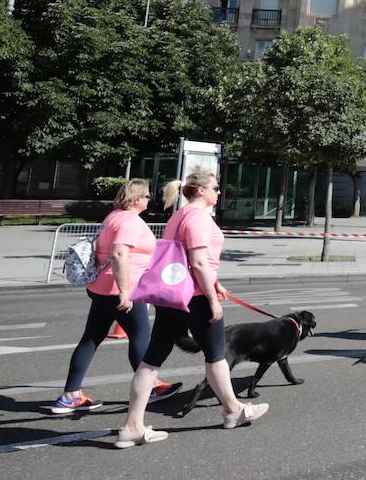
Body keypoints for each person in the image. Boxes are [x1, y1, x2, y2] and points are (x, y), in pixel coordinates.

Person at [116, 170, 267, 448]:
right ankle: (233, 410)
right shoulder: (198, 217)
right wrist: (211, 297)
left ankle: (132, 426)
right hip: (194, 296)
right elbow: (198, 262)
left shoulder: (178, 215)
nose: (219, 192)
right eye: (216, 187)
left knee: (152, 360)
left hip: (173, 295)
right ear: (200, 191)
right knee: (216, 355)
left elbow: (187, 258)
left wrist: (216, 282)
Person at [53, 179, 180, 414]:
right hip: (121, 289)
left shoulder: (114, 216)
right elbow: (119, 253)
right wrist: (125, 291)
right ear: (136, 199)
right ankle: (150, 388)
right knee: (141, 336)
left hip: (100, 288)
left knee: (91, 338)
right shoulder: (130, 221)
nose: (148, 200)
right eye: (146, 196)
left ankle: (70, 395)